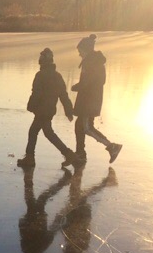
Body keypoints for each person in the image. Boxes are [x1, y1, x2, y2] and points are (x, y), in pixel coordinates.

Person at [17, 47, 78, 169]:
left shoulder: (40, 75)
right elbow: (63, 95)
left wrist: (30, 106)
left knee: (34, 132)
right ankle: (67, 154)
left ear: (43, 60)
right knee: (47, 133)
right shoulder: (57, 76)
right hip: (50, 110)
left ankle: (30, 158)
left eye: (41, 57)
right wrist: (69, 111)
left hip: (41, 110)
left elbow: (36, 93)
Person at [70, 34, 122, 164]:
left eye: (80, 51)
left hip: (89, 101)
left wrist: (76, 87)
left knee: (87, 127)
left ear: (85, 50)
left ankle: (111, 146)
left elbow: (88, 82)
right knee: (79, 126)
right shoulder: (93, 61)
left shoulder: (91, 63)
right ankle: (80, 153)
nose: (79, 54)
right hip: (90, 99)